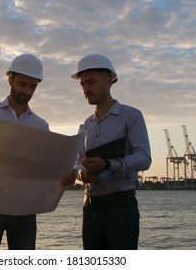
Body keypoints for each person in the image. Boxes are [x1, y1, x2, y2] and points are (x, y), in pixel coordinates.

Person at [0, 53, 76, 250]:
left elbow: (43, 170)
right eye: (22, 84)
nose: (27, 91)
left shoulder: (40, 125)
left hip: (25, 211)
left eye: (32, 86)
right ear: (10, 79)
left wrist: (63, 177)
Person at [71, 53, 152, 250]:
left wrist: (109, 164)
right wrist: (84, 174)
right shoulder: (86, 125)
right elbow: (76, 163)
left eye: (91, 82)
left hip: (121, 208)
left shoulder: (131, 116)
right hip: (90, 207)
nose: (86, 89)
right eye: (82, 84)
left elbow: (145, 158)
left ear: (109, 81)